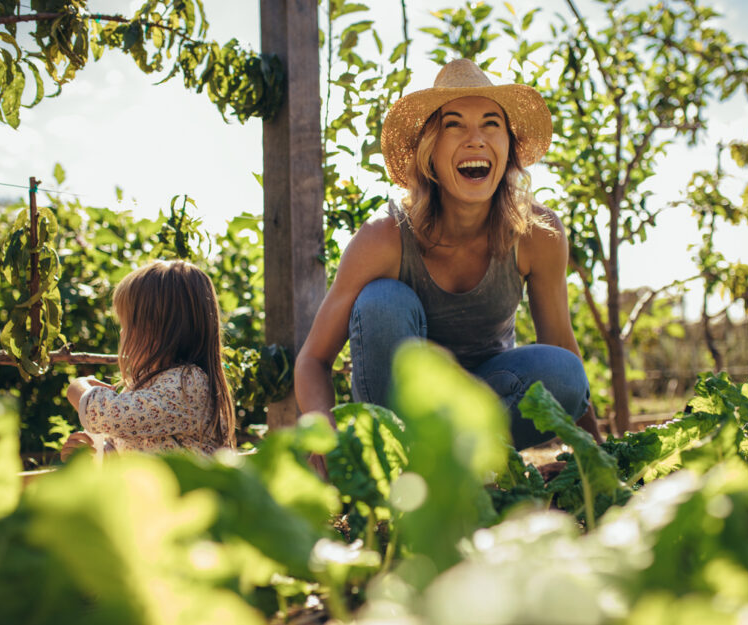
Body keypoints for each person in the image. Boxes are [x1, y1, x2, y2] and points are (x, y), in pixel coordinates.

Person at [295, 58, 602, 449]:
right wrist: (322, 434)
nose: (476, 139)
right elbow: (312, 360)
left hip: (489, 404)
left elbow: (560, 345)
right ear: (429, 151)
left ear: (508, 148)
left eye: (491, 124)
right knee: (382, 301)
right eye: (453, 125)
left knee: (565, 373)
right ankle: (400, 469)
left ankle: (467, 467)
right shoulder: (383, 238)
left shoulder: (537, 233)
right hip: (400, 419)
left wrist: (597, 461)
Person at [60, 260, 236, 461]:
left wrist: (78, 388)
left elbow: (111, 415)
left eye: (126, 324)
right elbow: (129, 448)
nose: (122, 332)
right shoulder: (144, 385)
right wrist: (93, 454)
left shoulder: (188, 384)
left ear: (155, 330)